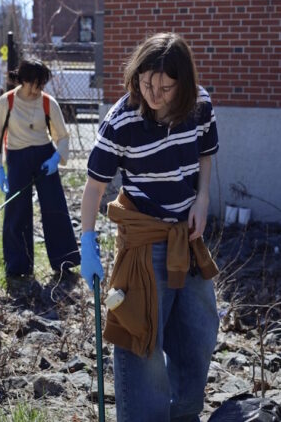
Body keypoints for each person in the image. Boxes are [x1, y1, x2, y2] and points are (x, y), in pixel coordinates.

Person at [80, 33, 220, 421]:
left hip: (188, 241)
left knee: (198, 337)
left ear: (183, 85)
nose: (153, 94)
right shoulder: (122, 120)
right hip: (144, 243)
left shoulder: (200, 105)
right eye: (146, 83)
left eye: (164, 87)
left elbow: (206, 154)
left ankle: (185, 414)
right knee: (141, 344)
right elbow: (94, 187)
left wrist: (202, 198)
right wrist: (87, 242)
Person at [0, 59, 80, 285]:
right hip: (17, 156)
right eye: (34, 84)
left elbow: (63, 136)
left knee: (55, 206)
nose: (38, 89)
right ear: (24, 80)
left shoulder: (48, 103)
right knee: (16, 210)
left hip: (44, 156)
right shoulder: (6, 102)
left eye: (42, 84)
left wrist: (56, 158)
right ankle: (18, 265)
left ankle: (64, 262)